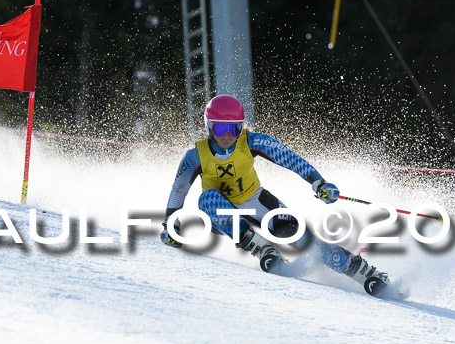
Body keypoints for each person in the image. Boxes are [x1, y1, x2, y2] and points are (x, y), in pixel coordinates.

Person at [160, 94, 391, 296]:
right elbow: (179, 189)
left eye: (235, 128)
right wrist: (169, 224)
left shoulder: (252, 141)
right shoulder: (195, 156)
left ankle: (364, 273)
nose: (228, 135)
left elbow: (290, 159)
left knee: (301, 237)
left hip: (255, 201)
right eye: (221, 128)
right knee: (207, 197)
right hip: (219, 215)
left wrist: (318, 182)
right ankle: (261, 248)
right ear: (210, 126)